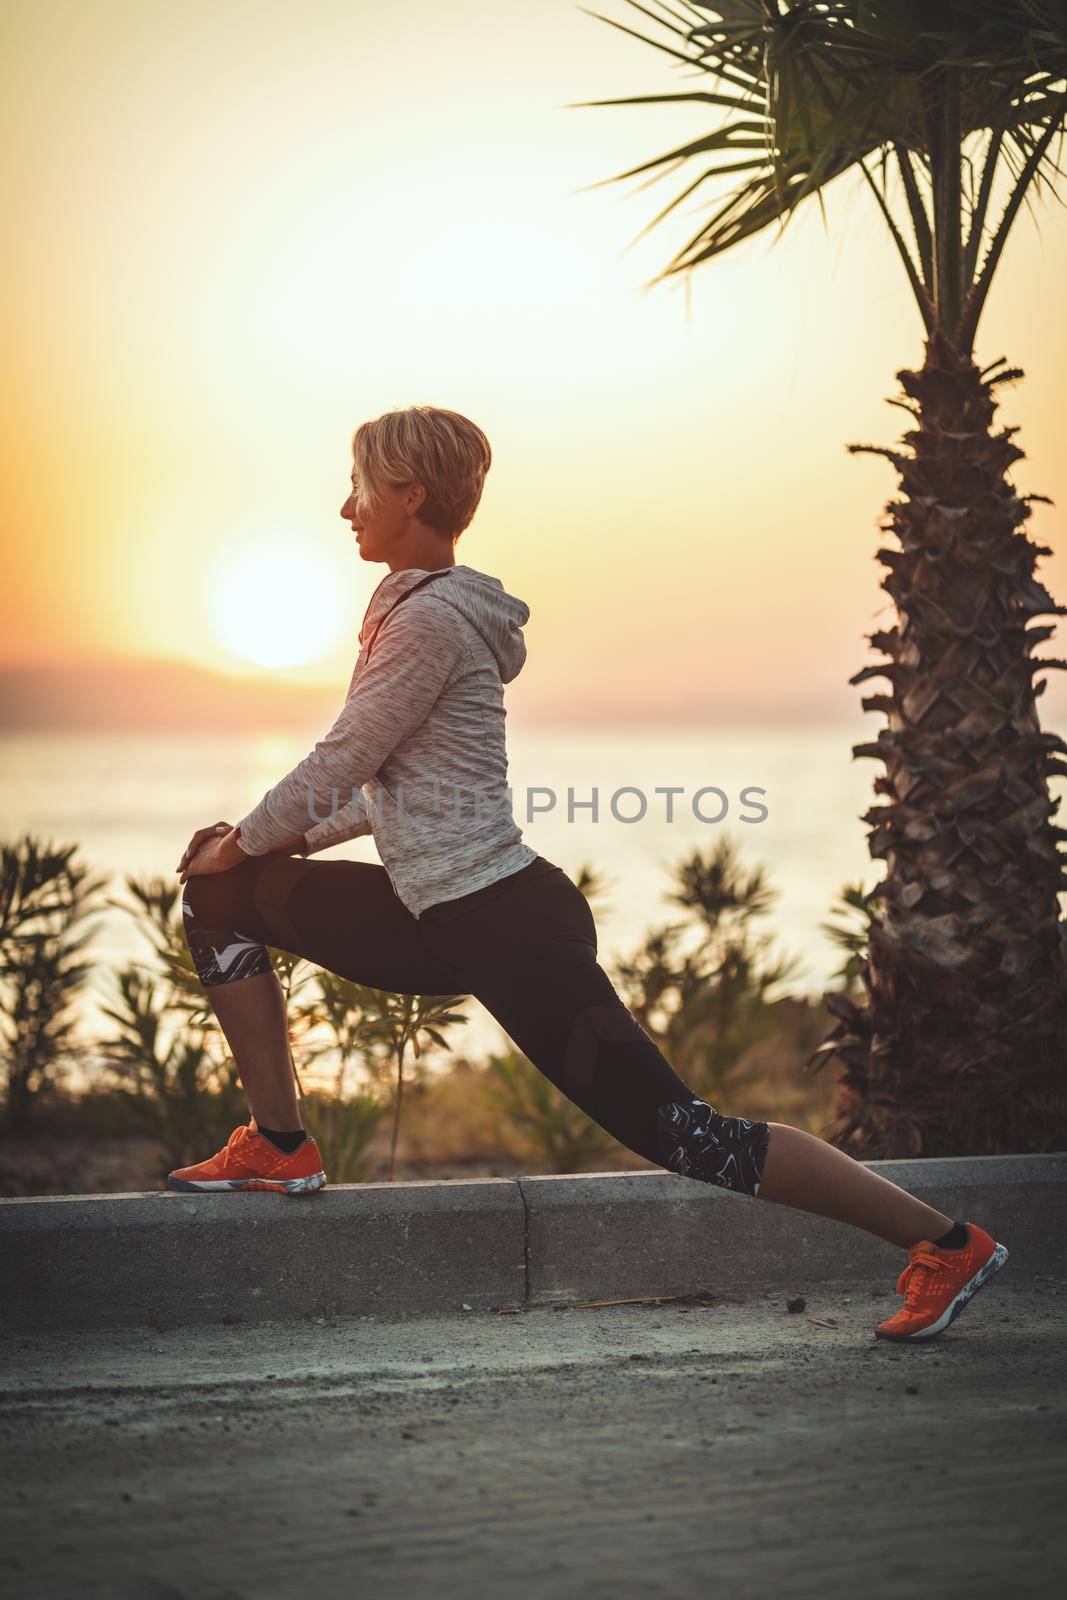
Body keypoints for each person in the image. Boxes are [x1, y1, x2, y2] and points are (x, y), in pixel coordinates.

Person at [175, 404, 1009, 1344]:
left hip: (505, 926)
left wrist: (247, 836)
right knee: (219, 902)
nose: (345, 508)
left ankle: (947, 1243)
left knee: (688, 1137)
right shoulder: (408, 610)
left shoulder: (431, 622)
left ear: (409, 494)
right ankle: (282, 1146)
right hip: (436, 914)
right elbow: (383, 794)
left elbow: (338, 758)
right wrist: (262, 849)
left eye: (360, 488)